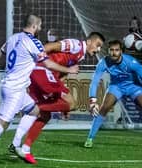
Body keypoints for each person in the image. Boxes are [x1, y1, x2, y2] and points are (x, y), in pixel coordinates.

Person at [0, 14, 78, 167]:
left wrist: (10, 70)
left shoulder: (13, 38)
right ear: (34, 26)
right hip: (15, 89)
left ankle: (15, 145)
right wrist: (69, 69)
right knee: (2, 123)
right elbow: (48, 64)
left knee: (34, 110)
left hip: (13, 86)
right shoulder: (33, 41)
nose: (41, 29)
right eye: (40, 26)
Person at [12, 32, 105, 164]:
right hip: (42, 70)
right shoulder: (76, 45)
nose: (98, 49)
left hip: (46, 74)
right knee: (71, 103)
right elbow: (50, 46)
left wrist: (63, 106)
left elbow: (62, 76)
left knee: (46, 115)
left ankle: (25, 149)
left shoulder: (79, 56)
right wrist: (35, 62)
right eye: (98, 45)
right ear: (89, 42)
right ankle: (32, 107)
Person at [84, 40, 142, 148]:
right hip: (116, 86)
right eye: (111, 50)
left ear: (121, 51)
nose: (114, 53)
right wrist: (92, 101)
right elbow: (95, 81)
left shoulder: (131, 62)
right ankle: (90, 138)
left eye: (117, 50)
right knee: (104, 108)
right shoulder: (103, 63)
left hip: (133, 86)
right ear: (108, 51)